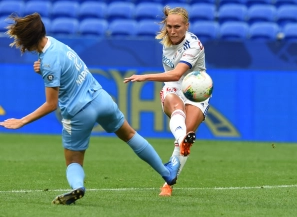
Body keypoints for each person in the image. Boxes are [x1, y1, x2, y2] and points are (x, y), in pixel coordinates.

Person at [0, 13, 180, 205]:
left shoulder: (48, 61)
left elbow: (51, 104)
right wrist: (43, 68)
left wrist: (22, 121)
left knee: (73, 160)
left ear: (27, 39)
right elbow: (58, 68)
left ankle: (77, 187)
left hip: (78, 112)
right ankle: (167, 173)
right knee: (129, 134)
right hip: (101, 99)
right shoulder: (54, 43)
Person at [124, 6, 211, 197]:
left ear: (187, 26)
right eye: (169, 26)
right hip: (173, 87)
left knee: (188, 131)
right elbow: (174, 78)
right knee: (178, 116)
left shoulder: (193, 45)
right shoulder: (167, 39)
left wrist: (144, 77)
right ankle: (181, 143)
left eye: (177, 27)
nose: (172, 31)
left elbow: (178, 73)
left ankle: (168, 183)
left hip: (197, 88)